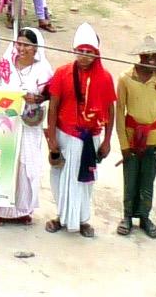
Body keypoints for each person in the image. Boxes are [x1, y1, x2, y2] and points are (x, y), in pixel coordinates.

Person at [45, 22, 115, 237]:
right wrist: (52, 137)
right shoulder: (62, 73)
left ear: (96, 54)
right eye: (81, 52)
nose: (84, 56)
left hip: (90, 138)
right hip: (65, 134)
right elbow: (53, 105)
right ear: (75, 51)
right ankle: (60, 216)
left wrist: (107, 141)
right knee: (60, 175)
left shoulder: (105, 78)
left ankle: (83, 219)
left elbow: (110, 110)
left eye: (89, 52)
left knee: (86, 181)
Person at [0, 25, 53, 225]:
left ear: (36, 48)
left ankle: (22, 210)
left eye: (27, 45)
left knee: (26, 167)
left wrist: (37, 99)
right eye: (19, 44)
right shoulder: (5, 65)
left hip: (29, 126)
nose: (22, 49)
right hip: (6, 124)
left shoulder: (43, 69)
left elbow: (49, 96)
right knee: (4, 164)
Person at [115, 36, 156, 238]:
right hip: (132, 138)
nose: (153, 60)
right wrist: (123, 143)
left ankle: (145, 217)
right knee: (130, 178)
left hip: (153, 139)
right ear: (140, 56)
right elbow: (120, 111)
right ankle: (127, 216)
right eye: (148, 56)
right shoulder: (125, 79)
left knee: (148, 180)